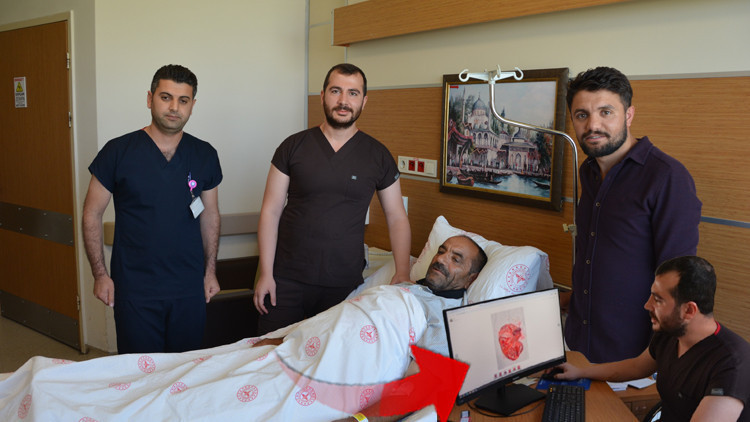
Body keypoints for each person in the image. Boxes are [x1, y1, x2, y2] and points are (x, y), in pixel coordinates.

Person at [254, 63, 411, 335]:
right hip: (285, 278)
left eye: (353, 93)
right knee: (270, 350)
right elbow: (271, 211)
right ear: (323, 95)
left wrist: (403, 271)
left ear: (364, 101)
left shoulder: (378, 156)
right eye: (336, 91)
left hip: (342, 283)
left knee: (330, 355)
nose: (343, 101)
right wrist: (266, 273)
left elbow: (396, 216)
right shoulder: (293, 147)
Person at [561, 66, 702, 363]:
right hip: (579, 344)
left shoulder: (666, 177)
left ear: (628, 115)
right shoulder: (588, 171)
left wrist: (654, 361)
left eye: (606, 112)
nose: (593, 125)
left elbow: (678, 282)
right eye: (582, 115)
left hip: (632, 355)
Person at [82, 64, 222, 354]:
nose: (174, 107)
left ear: (192, 106)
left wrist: (210, 272)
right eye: (165, 97)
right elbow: (91, 214)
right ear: (150, 99)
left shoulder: (204, 154)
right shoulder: (117, 152)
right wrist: (100, 274)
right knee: (140, 370)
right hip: (135, 288)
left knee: (185, 368)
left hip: (188, 286)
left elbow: (210, 216)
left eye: (183, 100)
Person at [553, 256, 750, 422]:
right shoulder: (670, 333)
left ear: (689, 310)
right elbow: (635, 367)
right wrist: (582, 371)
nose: (647, 305)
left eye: (657, 299)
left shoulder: (732, 363)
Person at [254, 234, 487, 357]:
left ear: (471, 279)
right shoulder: (406, 288)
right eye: (441, 251)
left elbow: (418, 377)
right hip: (314, 338)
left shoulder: (448, 316)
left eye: (456, 259)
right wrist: (292, 338)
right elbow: (348, 315)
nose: (441, 259)